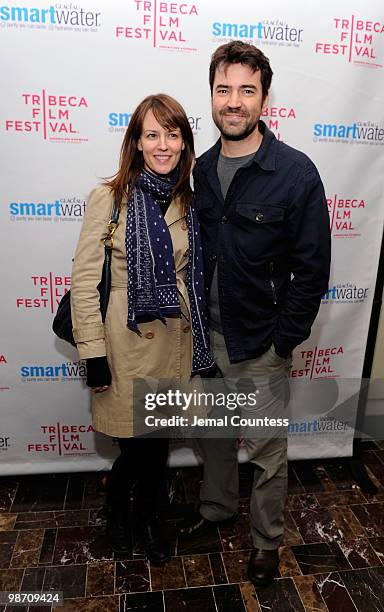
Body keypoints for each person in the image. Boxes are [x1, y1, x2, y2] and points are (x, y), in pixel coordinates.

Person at [178, 41, 331, 587]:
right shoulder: (197, 169)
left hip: (260, 344)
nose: (234, 102)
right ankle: (217, 511)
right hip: (206, 339)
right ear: (212, 97)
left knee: (267, 454)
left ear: (265, 97)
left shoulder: (295, 173)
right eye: (224, 90)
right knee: (214, 438)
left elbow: (312, 270)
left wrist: (282, 340)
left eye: (247, 90)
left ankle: (266, 542)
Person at [70, 93, 214, 564]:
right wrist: (92, 352)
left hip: (175, 343)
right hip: (124, 346)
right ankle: (117, 507)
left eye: (173, 135)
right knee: (136, 447)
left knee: (156, 447)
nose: (163, 145)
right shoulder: (109, 198)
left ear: (184, 142)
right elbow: (85, 282)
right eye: (152, 134)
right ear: (135, 141)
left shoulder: (189, 200)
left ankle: (148, 518)